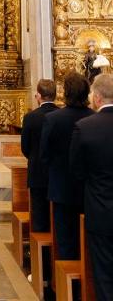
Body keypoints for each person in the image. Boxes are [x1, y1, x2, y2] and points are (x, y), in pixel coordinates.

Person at [40, 71, 94, 260]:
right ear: (87, 93)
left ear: (65, 92)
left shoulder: (54, 119)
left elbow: (44, 154)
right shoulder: (94, 118)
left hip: (61, 188)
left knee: (65, 239)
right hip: (89, 190)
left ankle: (64, 286)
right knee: (87, 238)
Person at [70, 74, 113, 301]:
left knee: (103, 272)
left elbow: (76, 171)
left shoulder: (85, 128)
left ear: (96, 98)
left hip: (100, 208)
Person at [21, 79, 59, 232]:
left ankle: (40, 253)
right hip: (59, 173)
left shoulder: (31, 117)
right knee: (58, 216)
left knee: (39, 215)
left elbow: (25, 147)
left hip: (37, 172)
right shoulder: (61, 115)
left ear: (39, 95)